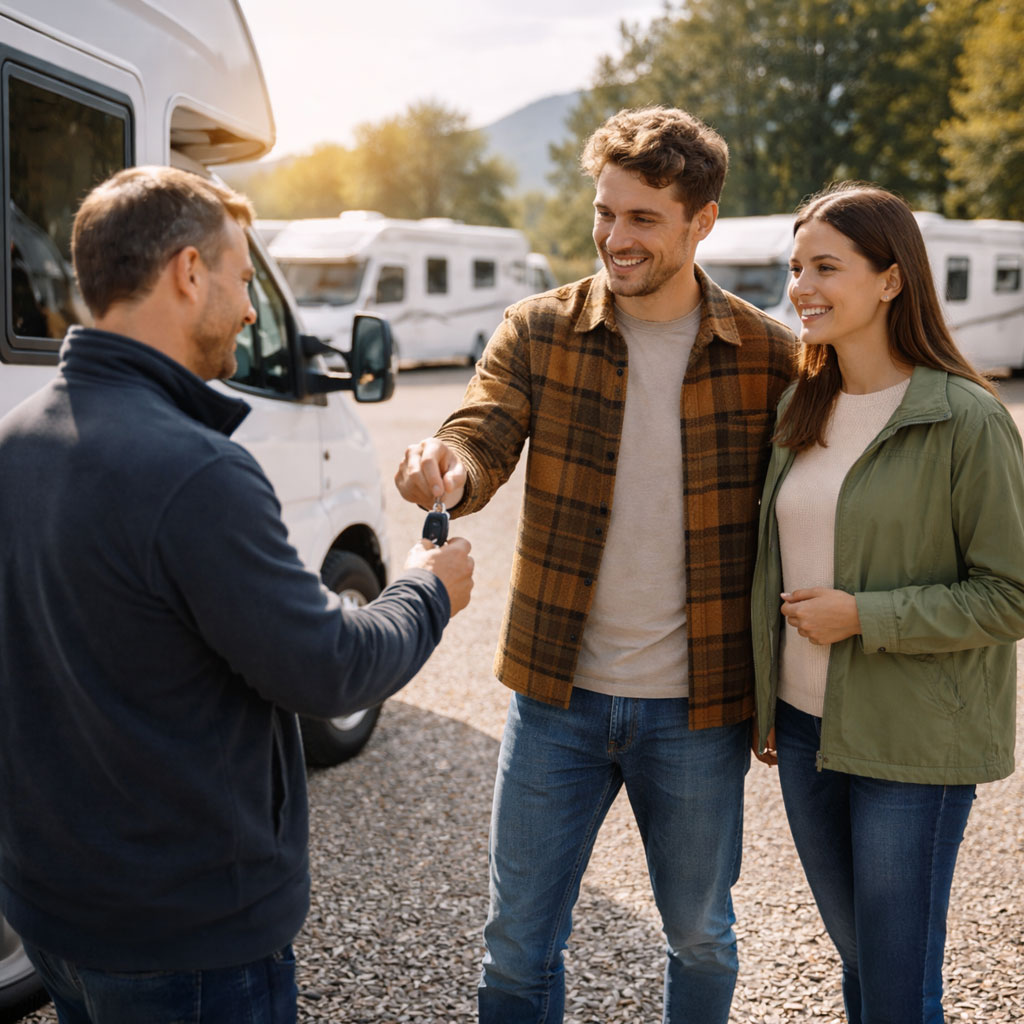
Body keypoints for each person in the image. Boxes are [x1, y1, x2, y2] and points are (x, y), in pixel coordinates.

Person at [0, 165, 474, 1024]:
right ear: (189, 273)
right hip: (185, 936)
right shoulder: (197, 471)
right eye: (245, 279)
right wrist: (427, 590)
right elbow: (330, 670)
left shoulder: (16, 437)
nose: (253, 309)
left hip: (53, 911)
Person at [395, 106, 796, 1023]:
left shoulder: (768, 355)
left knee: (701, 935)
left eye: (643, 218)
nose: (616, 237)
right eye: (605, 213)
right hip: (555, 698)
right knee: (516, 946)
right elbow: (481, 429)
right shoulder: (538, 330)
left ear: (703, 222)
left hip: (697, 708)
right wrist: (448, 466)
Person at [751, 182, 1024, 1024]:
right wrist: (762, 695)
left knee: (899, 989)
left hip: (913, 744)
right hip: (803, 730)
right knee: (862, 966)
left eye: (826, 266)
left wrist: (866, 615)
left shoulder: (967, 420)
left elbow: (1010, 595)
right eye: (796, 267)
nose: (802, 287)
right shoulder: (802, 404)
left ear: (891, 280)